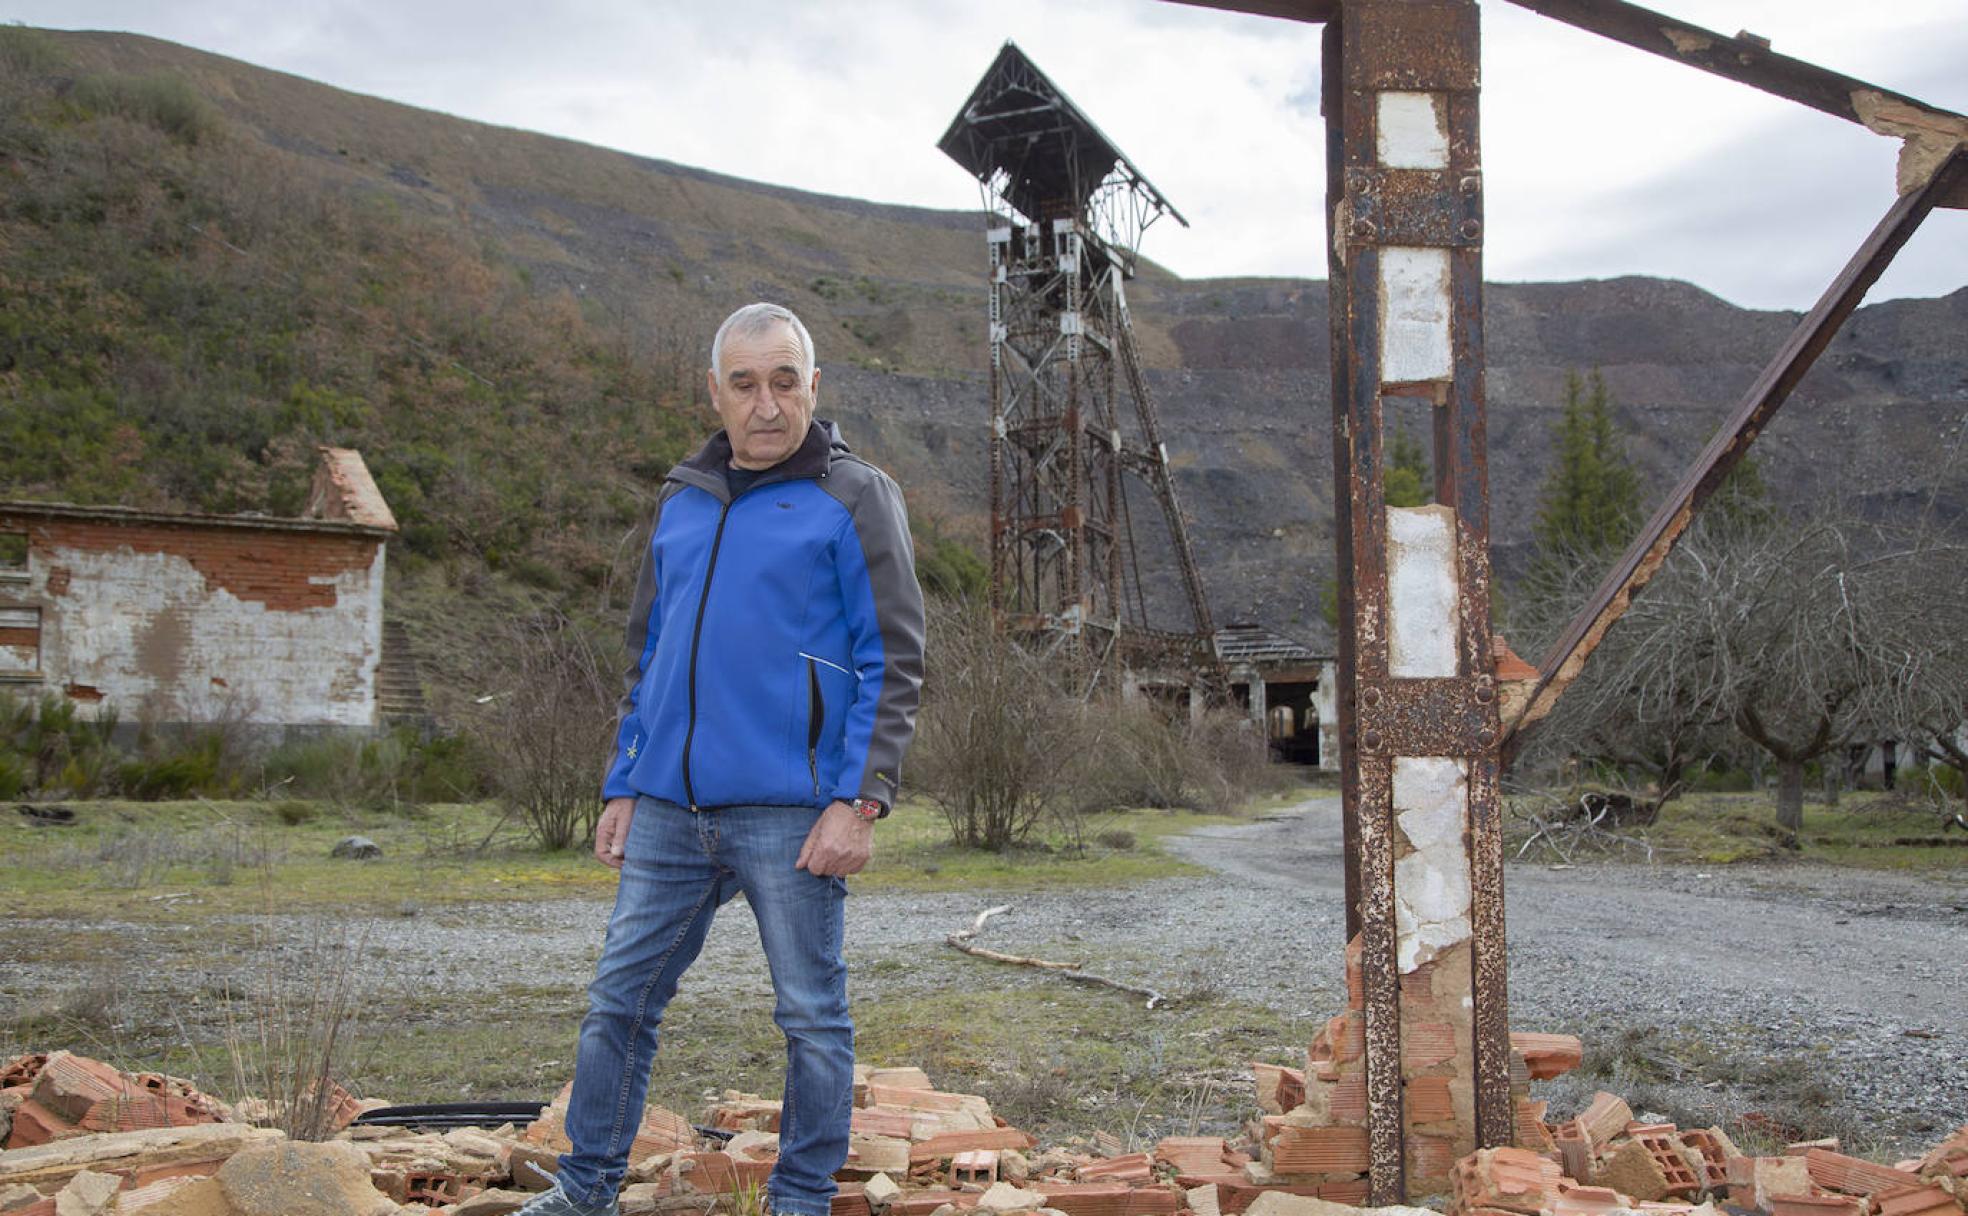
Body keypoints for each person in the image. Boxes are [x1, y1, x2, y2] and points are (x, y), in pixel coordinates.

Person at [518, 302, 927, 1216]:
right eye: (745, 384)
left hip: (792, 809)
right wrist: (626, 779)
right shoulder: (683, 501)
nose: (767, 404)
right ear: (715, 391)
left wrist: (859, 802)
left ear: (814, 387)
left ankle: (802, 1199)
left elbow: (891, 659)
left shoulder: (856, 496)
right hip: (669, 807)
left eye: (785, 381)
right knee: (617, 1004)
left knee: (810, 1017)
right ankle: (582, 1191)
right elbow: (649, 654)